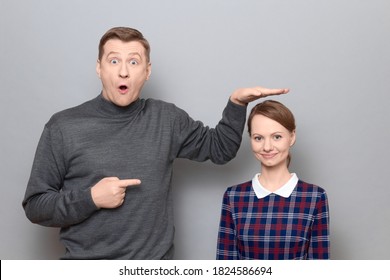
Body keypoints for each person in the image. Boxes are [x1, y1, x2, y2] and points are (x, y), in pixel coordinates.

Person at [23, 26, 289, 260]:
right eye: (114, 61)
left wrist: (237, 103)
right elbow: (35, 206)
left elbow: (220, 149)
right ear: (99, 67)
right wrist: (90, 198)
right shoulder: (63, 126)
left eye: (134, 62)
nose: (124, 72)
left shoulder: (166, 119)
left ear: (147, 71)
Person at [216, 100, 330, 260]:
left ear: (292, 137)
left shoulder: (315, 197)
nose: (267, 147)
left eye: (276, 137)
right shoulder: (234, 196)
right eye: (258, 138)